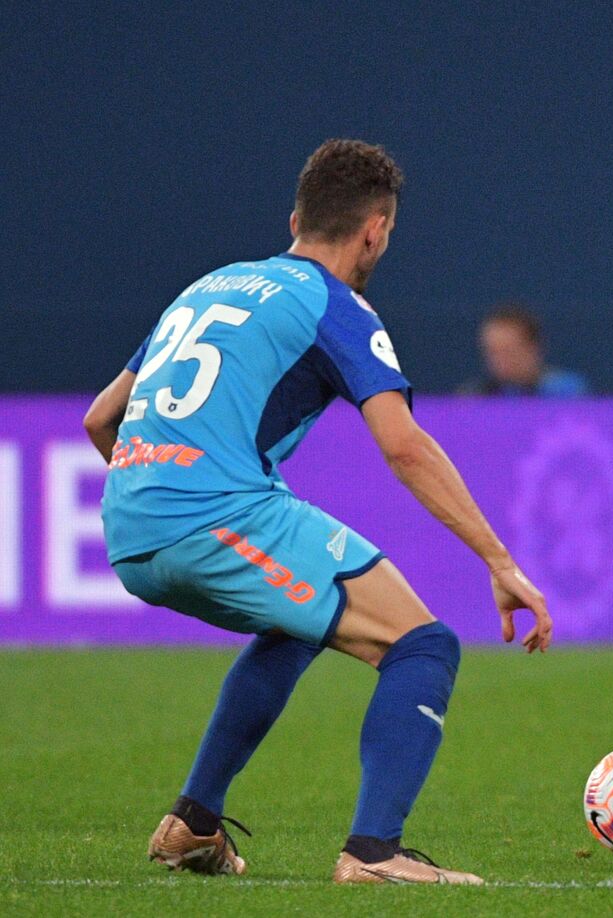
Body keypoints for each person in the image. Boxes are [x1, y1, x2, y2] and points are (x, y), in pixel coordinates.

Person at [82, 140, 552, 885]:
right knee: (423, 647)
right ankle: (374, 854)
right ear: (376, 230)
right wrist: (499, 560)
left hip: (125, 522)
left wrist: (154, 495)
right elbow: (404, 447)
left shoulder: (209, 286)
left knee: (295, 622)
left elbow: (100, 418)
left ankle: (192, 824)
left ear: (297, 217)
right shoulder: (335, 305)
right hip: (213, 515)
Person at [462, 305, 588, 397]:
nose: (500, 360)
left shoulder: (565, 392)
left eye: (509, 351)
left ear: (534, 348)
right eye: (492, 352)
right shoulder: (474, 396)